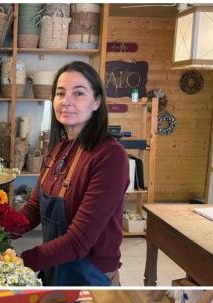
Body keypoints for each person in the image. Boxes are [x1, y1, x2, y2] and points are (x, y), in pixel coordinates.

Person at [17, 61, 129, 286]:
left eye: (78, 93)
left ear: (96, 102)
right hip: (55, 265)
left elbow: (79, 240)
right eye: (60, 93)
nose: (66, 101)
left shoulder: (110, 156)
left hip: (88, 274)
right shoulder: (60, 147)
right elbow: (33, 209)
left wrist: (20, 262)